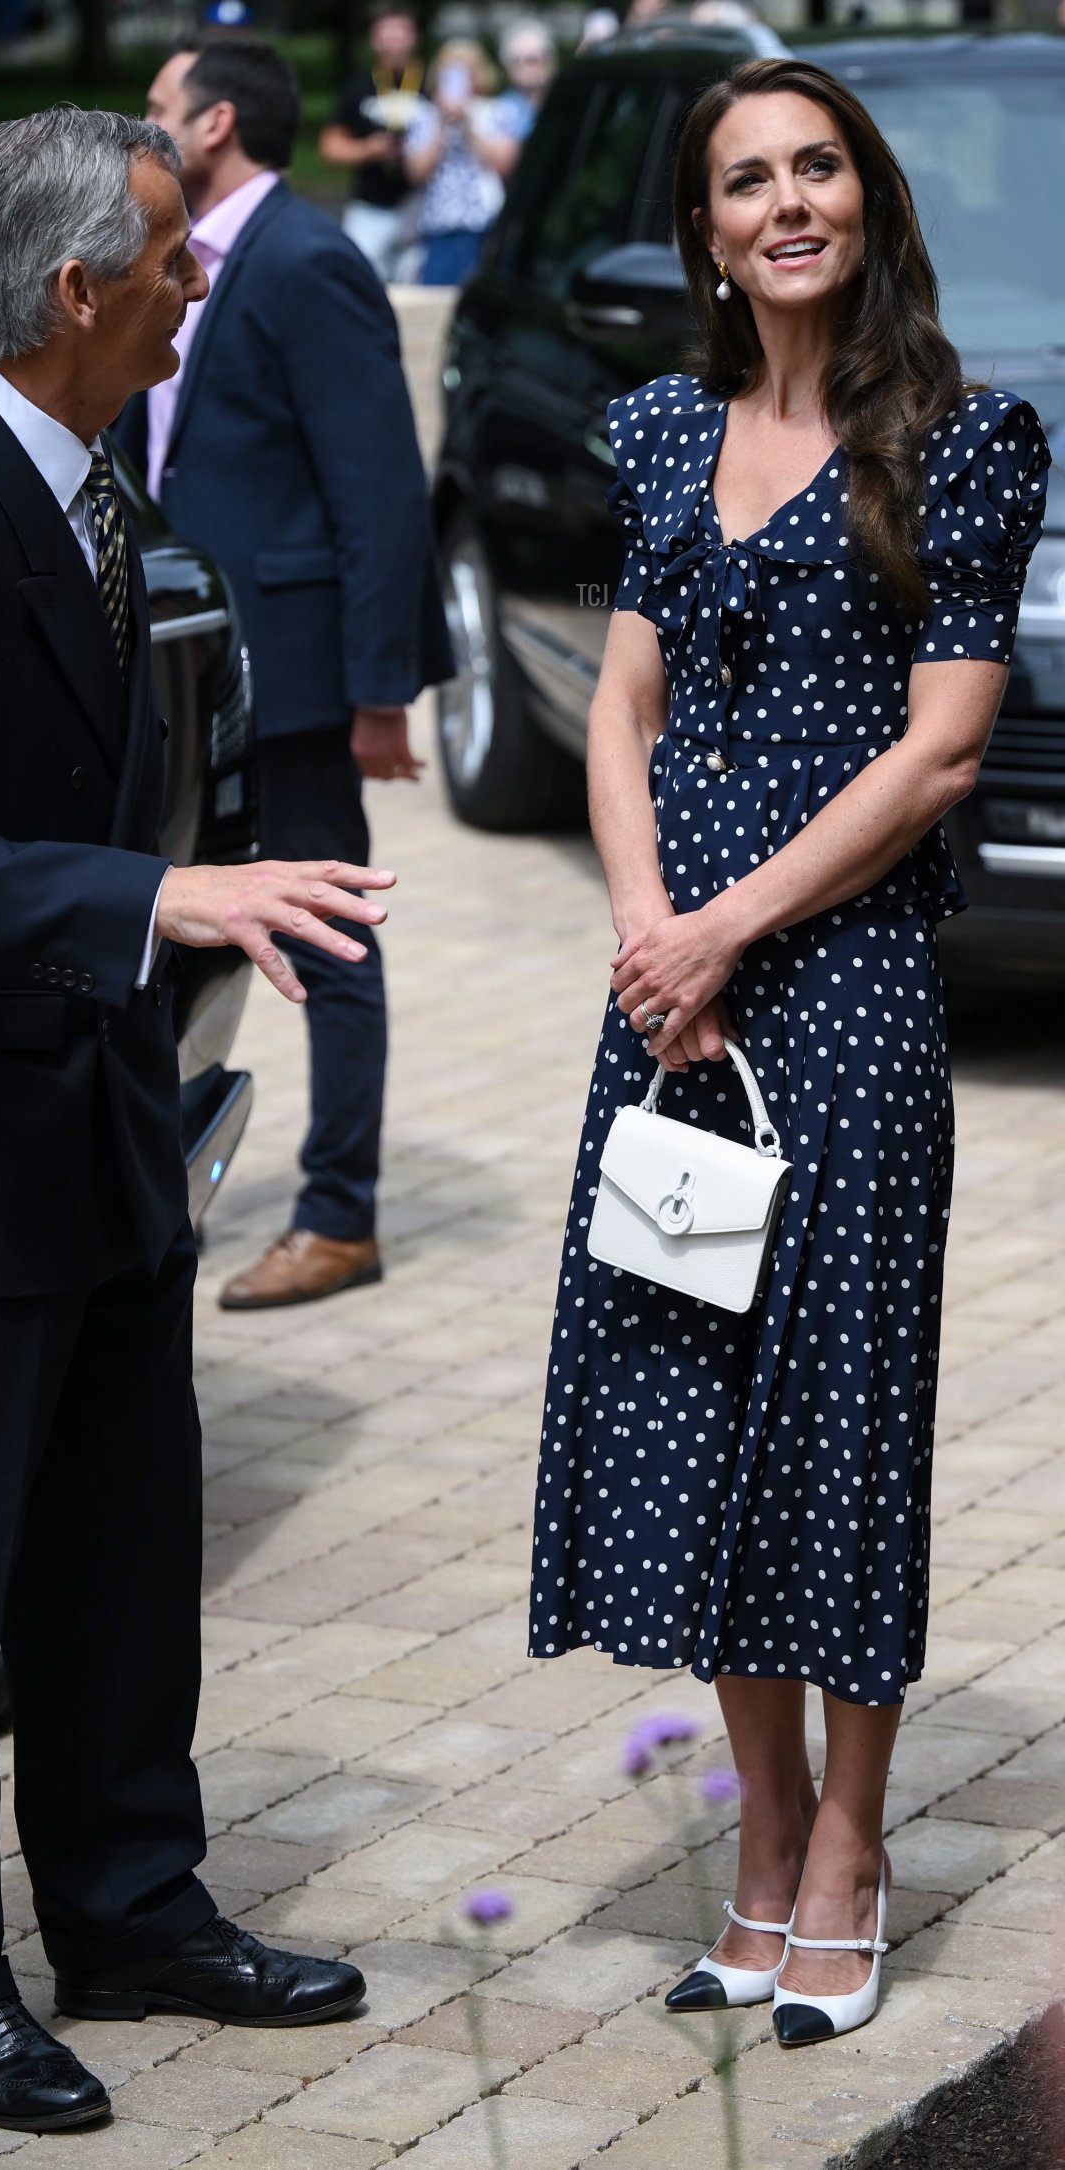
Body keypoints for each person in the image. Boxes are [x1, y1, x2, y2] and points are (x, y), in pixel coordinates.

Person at [0, 107, 386, 2135]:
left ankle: (132, 1906)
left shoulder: (90, 477)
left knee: (121, 1545)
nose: (197, 283)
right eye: (173, 257)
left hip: (98, 1110)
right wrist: (155, 901)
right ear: (79, 288)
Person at [529, 55, 1049, 2048]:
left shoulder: (964, 436)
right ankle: (756, 1840)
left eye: (818, 167)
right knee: (696, 1423)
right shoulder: (667, 428)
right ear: (710, 233)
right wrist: (649, 934)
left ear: (871, 197)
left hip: (841, 996)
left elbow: (942, 751)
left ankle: (847, 1850)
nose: (788, 203)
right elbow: (621, 710)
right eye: (748, 181)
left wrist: (729, 926)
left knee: (834, 1431)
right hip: (675, 998)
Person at [129, 36, 453, 1311]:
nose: (142, 121)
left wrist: (380, 695)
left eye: (158, 103)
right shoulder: (184, 254)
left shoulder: (308, 259)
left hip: (300, 683)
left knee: (331, 943)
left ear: (214, 123)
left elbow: (380, 492)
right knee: (177, 928)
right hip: (194, 668)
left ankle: (338, 1215)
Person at [320, 3, 426, 285]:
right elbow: (329, 147)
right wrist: (370, 149)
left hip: (422, 209)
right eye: (386, 32)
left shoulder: (432, 83)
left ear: (414, 36)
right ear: (374, 38)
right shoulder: (359, 85)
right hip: (370, 208)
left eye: (400, 31)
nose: (393, 39)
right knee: (360, 283)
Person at [403, 39, 510, 288]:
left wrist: (468, 122)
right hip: (439, 224)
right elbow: (416, 173)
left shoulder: (496, 111)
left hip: (484, 222)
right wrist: (441, 124)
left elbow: (503, 164)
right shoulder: (425, 116)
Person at [475, 20, 558, 182]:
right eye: (516, 61)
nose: (524, 67)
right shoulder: (499, 110)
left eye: (532, 59)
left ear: (550, 62)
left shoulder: (566, 102)